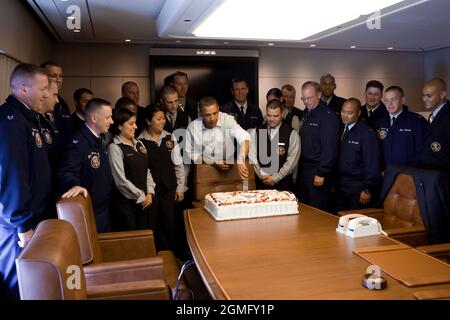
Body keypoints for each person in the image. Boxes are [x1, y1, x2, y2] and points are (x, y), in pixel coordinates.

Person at [0, 63, 51, 300]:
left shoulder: (28, 119)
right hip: (17, 226)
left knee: (31, 285)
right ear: (23, 89)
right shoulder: (11, 121)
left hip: (31, 217)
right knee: (18, 284)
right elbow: (11, 176)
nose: (47, 94)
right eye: (43, 88)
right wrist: (23, 225)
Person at [58, 98, 114, 232]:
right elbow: (66, 172)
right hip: (91, 211)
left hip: (103, 208)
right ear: (94, 118)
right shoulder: (78, 142)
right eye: (108, 117)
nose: (111, 121)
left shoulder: (97, 138)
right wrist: (74, 185)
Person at [139, 105, 186, 252]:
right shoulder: (140, 141)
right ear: (148, 121)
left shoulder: (169, 137)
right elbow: (142, 169)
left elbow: (178, 165)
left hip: (169, 188)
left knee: (169, 223)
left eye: (164, 118)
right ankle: (153, 255)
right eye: (158, 119)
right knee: (152, 224)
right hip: (150, 190)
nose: (163, 121)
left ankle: (169, 255)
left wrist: (180, 188)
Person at [107, 108, 155, 231]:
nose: (135, 126)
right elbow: (120, 181)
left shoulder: (139, 143)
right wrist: (141, 196)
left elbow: (147, 170)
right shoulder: (114, 148)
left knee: (145, 239)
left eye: (135, 123)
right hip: (126, 206)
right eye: (131, 123)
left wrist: (149, 193)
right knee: (130, 245)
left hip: (145, 203)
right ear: (119, 126)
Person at [298, 81, 340, 212]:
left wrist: (321, 172)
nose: (306, 101)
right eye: (303, 98)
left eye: (309, 98)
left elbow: (330, 148)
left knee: (317, 210)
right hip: (304, 169)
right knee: (304, 207)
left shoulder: (327, 116)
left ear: (319, 95)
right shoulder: (306, 112)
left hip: (318, 170)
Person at [186, 96, 250, 180]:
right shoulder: (192, 127)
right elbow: (191, 153)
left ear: (218, 109)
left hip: (230, 167)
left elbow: (245, 137)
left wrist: (241, 160)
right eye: (207, 115)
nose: (212, 118)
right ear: (200, 113)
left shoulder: (227, 119)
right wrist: (213, 162)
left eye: (215, 113)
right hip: (205, 170)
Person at [336, 98, 381, 211]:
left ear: (358, 113)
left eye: (349, 113)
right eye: (343, 111)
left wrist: (367, 189)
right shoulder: (340, 128)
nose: (345, 115)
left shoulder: (367, 133)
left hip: (358, 185)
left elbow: (372, 163)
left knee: (354, 221)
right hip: (340, 184)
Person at [249, 100, 300, 191]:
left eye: (275, 116)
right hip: (261, 185)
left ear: (282, 114)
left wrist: (276, 178)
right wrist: (262, 175)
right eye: (269, 115)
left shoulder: (292, 134)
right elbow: (252, 157)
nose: (271, 119)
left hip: (283, 186)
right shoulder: (256, 132)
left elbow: (291, 161)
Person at [375, 86, 427, 169]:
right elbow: (375, 152)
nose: (389, 103)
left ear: (403, 100)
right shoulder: (379, 123)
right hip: (385, 174)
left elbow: (422, 151)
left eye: (393, 99)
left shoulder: (417, 121)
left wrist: (411, 171)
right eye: (387, 100)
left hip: (409, 174)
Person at [416, 78, 450, 172]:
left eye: (429, 95)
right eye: (423, 95)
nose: (424, 99)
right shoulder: (434, 114)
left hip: (442, 176)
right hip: (429, 174)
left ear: (442, 94)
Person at [40, 62, 71, 138]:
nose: (58, 80)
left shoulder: (63, 104)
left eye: (60, 76)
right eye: (53, 76)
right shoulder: (37, 103)